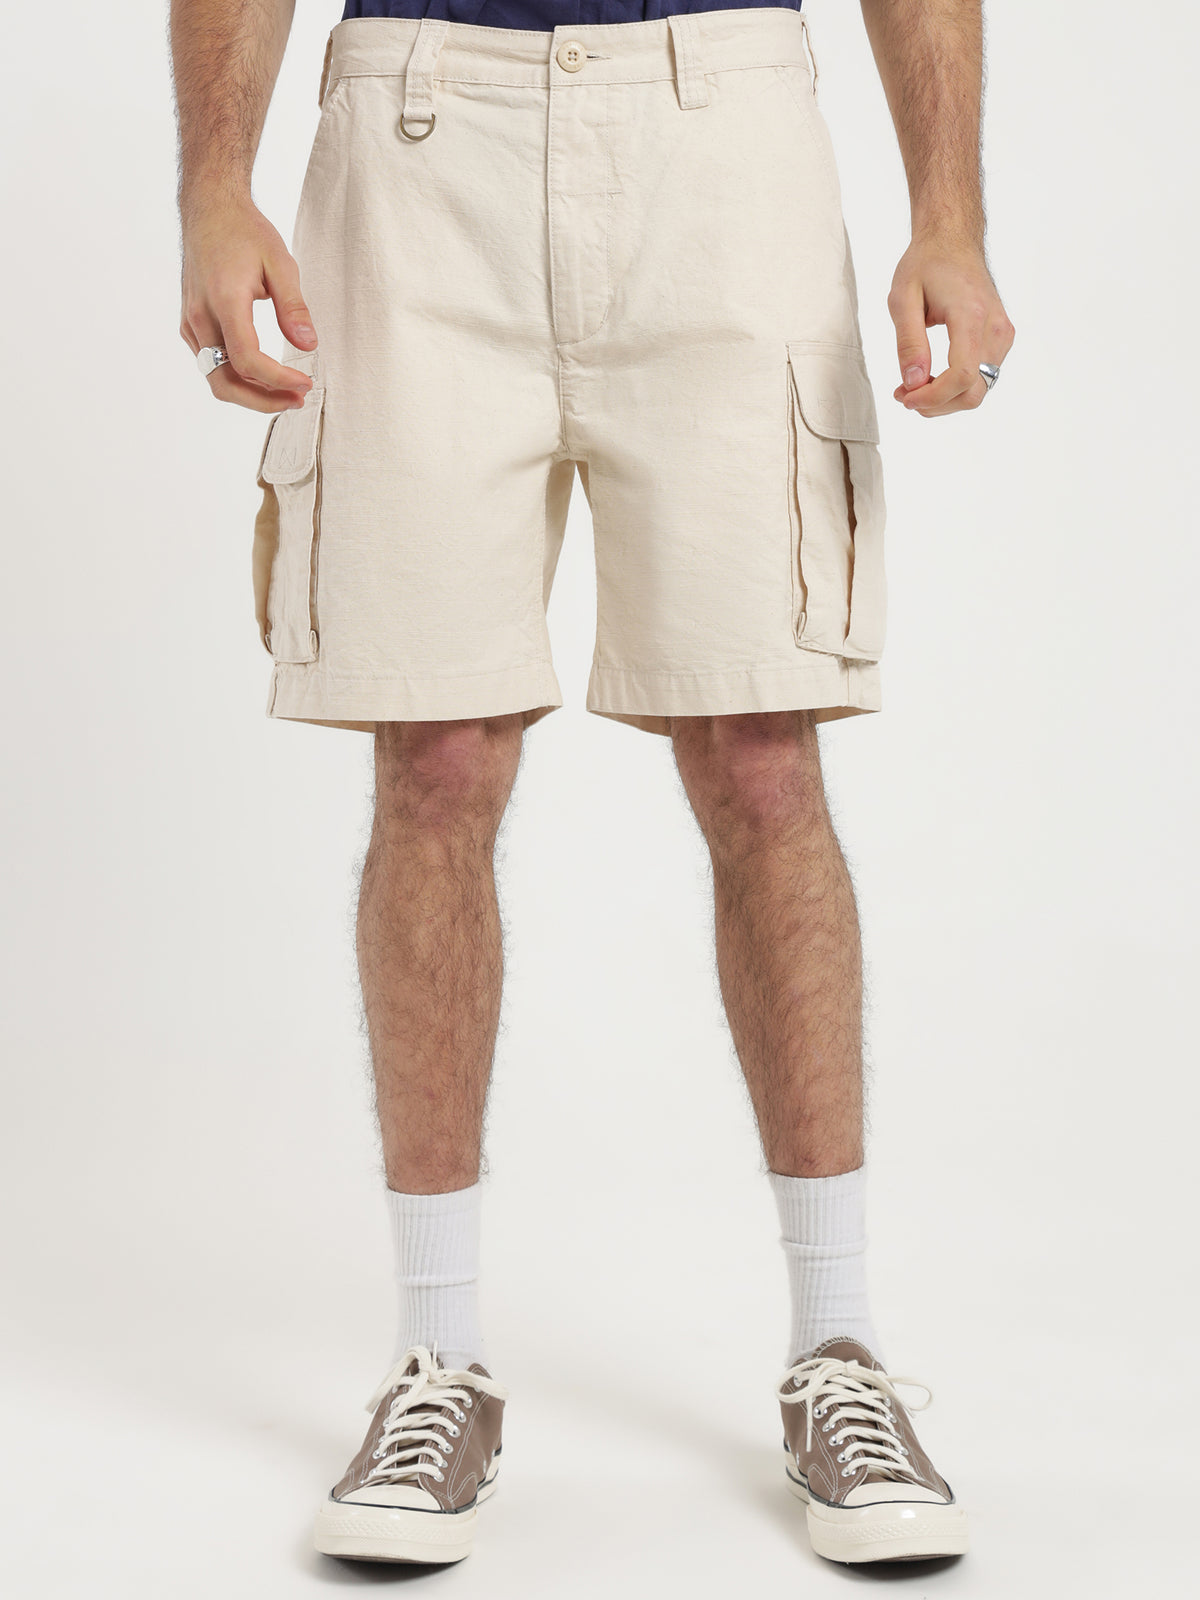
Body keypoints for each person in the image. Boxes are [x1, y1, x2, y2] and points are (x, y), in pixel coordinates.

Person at [171, 0, 1013, 1569]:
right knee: (434, 758)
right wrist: (214, 186)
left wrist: (949, 210)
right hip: (417, 145)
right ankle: (437, 1361)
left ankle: (839, 1350)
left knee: (761, 754)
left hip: (724, 135)